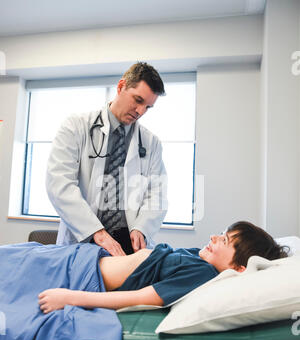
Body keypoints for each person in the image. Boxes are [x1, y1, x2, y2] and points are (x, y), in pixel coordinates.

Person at [46, 62, 168, 256]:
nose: (140, 111)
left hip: (129, 243)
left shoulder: (151, 143)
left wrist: (142, 228)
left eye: (148, 107)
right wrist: (97, 232)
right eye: (137, 100)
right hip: (85, 236)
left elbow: (157, 194)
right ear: (121, 87)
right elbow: (59, 184)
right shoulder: (76, 127)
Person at [38, 221, 288, 314]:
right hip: (84, 257)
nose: (213, 237)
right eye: (221, 233)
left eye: (224, 240)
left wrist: (69, 298)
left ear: (239, 267)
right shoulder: (200, 259)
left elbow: (137, 298)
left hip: (80, 275)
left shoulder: (202, 274)